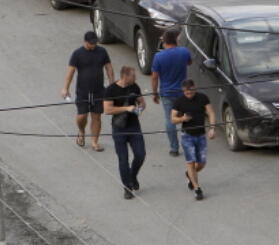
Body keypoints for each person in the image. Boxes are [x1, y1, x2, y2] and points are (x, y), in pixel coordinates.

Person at [61, 30, 113, 151]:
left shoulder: (102, 51)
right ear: (85, 42)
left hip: (99, 90)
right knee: (82, 116)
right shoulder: (77, 54)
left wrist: (112, 84)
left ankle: (95, 142)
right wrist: (65, 88)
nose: (93, 45)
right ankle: (81, 131)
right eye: (91, 43)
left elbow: (109, 68)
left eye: (95, 43)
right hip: (83, 91)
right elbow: (70, 71)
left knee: (96, 117)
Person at [170, 80, 216, 201]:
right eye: (186, 92)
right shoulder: (179, 101)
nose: (188, 94)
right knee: (190, 161)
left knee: (201, 163)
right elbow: (173, 119)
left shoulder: (203, 98)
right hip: (187, 136)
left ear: (194, 88)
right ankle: (197, 189)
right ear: (183, 90)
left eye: (190, 91)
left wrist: (212, 128)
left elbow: (210, 112)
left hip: (201, 135)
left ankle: (189, 175)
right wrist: (183, 118)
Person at [104, 66, 145, 199]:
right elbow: (108, 110)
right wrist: (126, 108)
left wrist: (140, 108)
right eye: (133, 76)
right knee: (123, 159)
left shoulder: (135, 87)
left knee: (140, 154)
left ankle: (132, 176)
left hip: (134, 126)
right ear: (125, 76)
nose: (135, 78)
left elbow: (142, 102)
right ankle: (127, 187)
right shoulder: (111, 90)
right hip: (119, 128)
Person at [150, 28, 191, 156]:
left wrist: (154, 93)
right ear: (176, 40)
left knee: (170, 119)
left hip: (167, 93)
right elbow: (190, 62)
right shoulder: (184, 51)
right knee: (186, 117)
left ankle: (174, 148)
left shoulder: (158, 56)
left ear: (164, 42)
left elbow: (154, 77)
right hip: (183, 92)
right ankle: (188, 144)